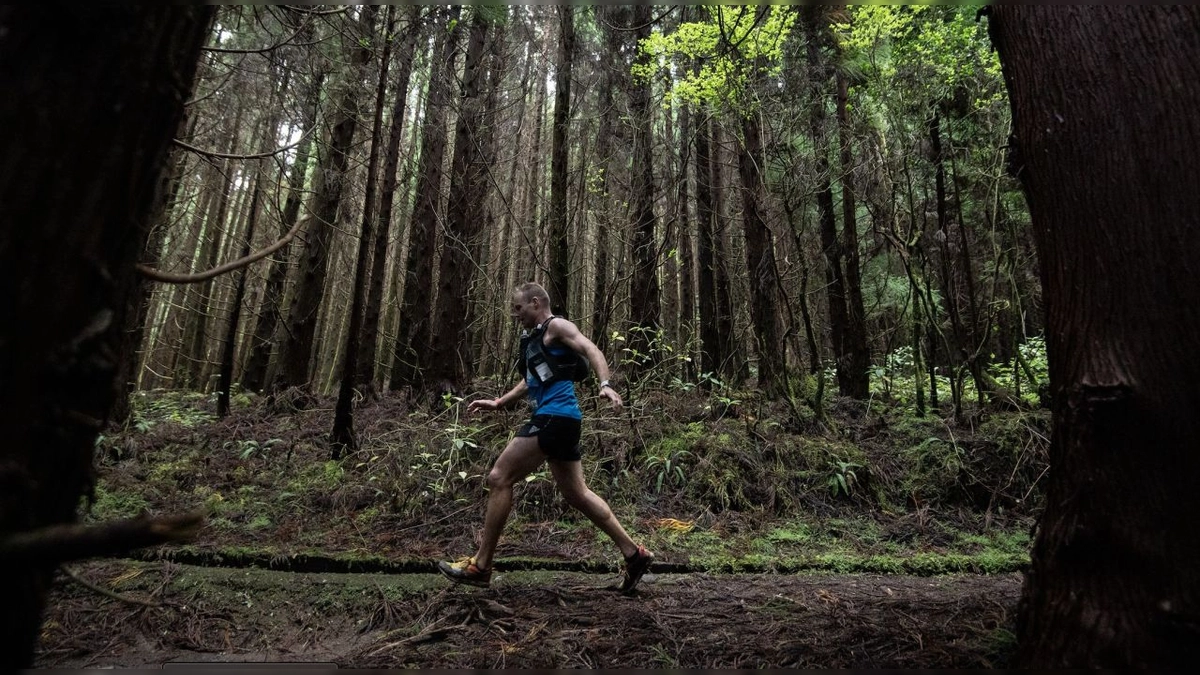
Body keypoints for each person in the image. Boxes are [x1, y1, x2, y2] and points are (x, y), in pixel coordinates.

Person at [438, 282, 655, 593]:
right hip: (564, 420)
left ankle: (481, 566)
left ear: (536, 303)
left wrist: (605, 383)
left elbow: (590, 348)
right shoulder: (537, 339)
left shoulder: (557, 326)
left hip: (554, 418)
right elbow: (532, 380)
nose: (515, 315)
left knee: (499, 477)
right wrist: (500, 402)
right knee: (577, 494)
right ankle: (634, 554)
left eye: (518, 308)